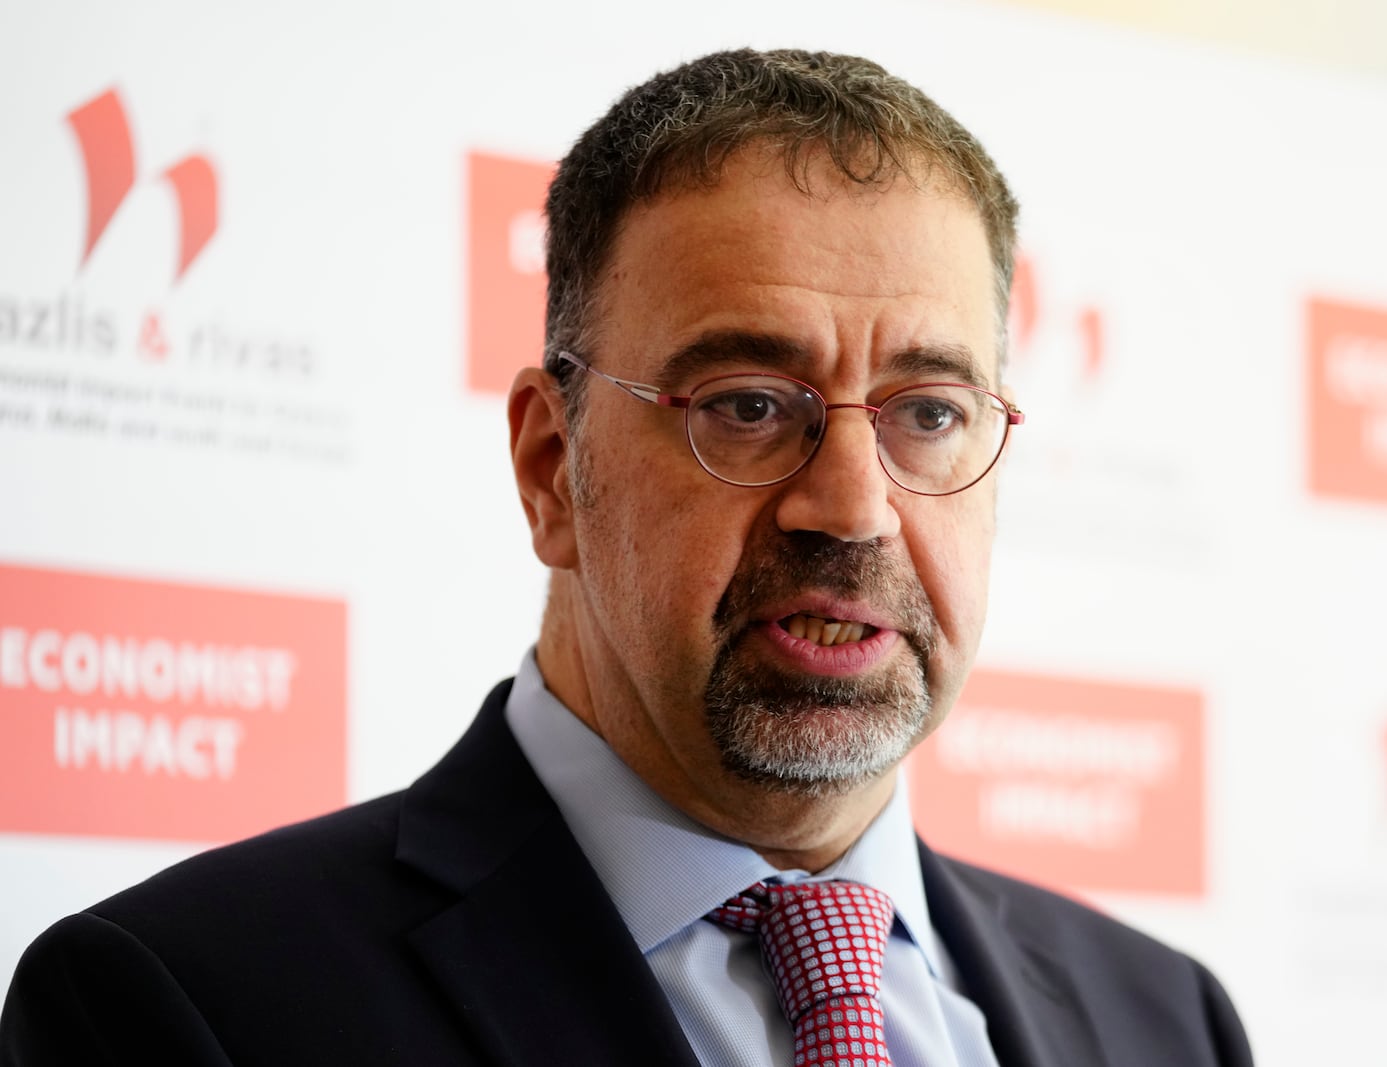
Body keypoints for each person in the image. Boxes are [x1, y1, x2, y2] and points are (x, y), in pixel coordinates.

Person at [1, 48, 1251, 1066]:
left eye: (928, 412)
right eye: (750, 404)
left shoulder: (1166, 1022)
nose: (852, 508)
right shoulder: (186, 1009)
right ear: (554, 467)